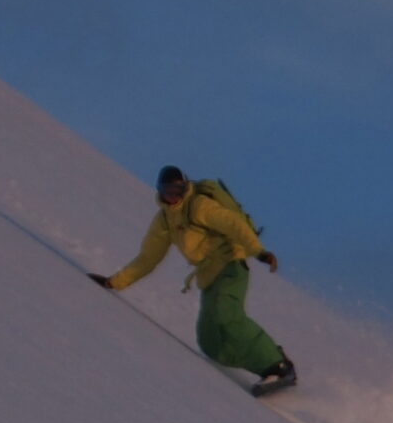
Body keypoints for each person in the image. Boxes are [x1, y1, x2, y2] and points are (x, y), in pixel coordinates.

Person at [88, 165, 295, 390]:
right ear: (160, 191)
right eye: (168, 191)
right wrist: (114, 282)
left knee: (226, 313)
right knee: (210, 343)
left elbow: (235, 225)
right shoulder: (165, 220)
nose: (174, 196)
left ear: (186, 186)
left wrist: (259, 252)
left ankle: (279, 366)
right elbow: (148, 258)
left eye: (179, 190)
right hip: (209, 278)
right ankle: (266, 365)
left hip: (231, 265)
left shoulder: (199, 206)